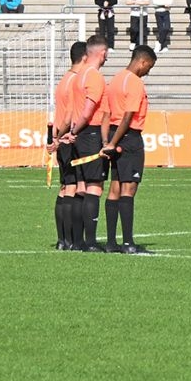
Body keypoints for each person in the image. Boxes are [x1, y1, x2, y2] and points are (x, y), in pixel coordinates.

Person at [50, 37, 109, 252]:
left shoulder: (70, 79)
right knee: (82, 187)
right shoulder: (85, 78)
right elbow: (75, 113)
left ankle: (68, 240)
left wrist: (58, 135)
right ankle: (81, 241)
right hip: (81, 133)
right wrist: (64, 134)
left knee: (71, 188)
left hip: (68, 133)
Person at [98, 44, 158, 253]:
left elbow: (106, 114)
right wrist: (115, 143)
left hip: (114, 134)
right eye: (148, 66)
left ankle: (111, 243)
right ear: (142, 62)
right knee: (128, 189)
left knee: (115, 187)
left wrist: (107, 141)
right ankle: (128, 243)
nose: (148, 71)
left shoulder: (115, 80)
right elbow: (128, 115)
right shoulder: (135, 83)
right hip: (129, 137)